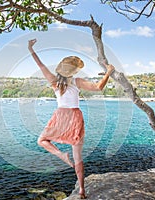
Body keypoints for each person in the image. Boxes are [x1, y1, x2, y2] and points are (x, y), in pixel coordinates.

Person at [28, 38, 115, 199]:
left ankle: (61, 155)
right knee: (78, 157)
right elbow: (98, 87)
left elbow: (40, 65)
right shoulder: (77, 82)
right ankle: (82, 189)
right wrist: (109, 72)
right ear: (73, 71)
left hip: (60, 115)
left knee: (42, 140)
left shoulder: (54, 82)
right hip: (75, 116)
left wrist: (31, 49)